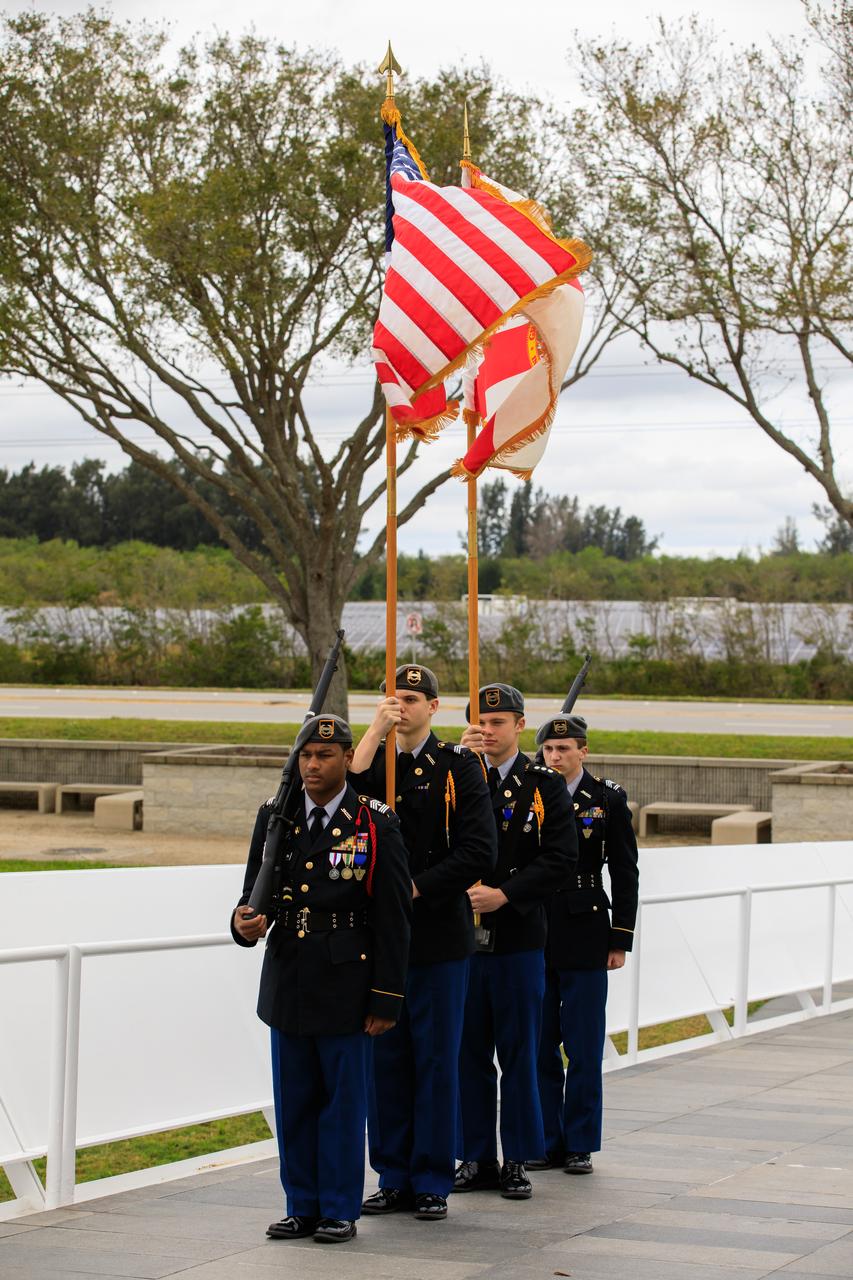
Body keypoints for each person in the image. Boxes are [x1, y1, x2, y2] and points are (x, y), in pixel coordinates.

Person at [231, 714, 411, 1244]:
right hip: (288, 975)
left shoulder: (375, 822)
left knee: (342, 1102)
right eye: (306, 755)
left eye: (324, 756)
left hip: (346, 980)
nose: (313, 765)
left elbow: (394, 917)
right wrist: (243, 923)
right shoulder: (274, 815)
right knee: (295, 1100)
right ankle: (300, 1204)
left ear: (348, 760)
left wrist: (386, 996)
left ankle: (337, 1207)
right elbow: (249, 895)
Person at [350, 664, 496, 1221]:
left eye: (412, 699)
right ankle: (392, 1174)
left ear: (434, 707)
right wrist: (372, 730)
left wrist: (415, 887)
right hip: (381, 940)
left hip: (436, 934)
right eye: (394, 698)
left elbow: (478, 850)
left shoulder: (459, 766)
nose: (402, 706)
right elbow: (348, 793)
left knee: (435, 1059)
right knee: (385, 1059)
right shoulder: (376, 763)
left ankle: (433, 1176)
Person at [453, 684, 577, 1201]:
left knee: (520, 1053)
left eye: (499, 721)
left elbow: (560, 858)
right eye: (481, 721)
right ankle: (476, 1156)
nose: (489, 730)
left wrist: (506, 895)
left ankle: (518, 1159)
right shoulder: (455, 777)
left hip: (518, 937)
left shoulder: (542, 783)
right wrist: (461, 765)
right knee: (467, 1054)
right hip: (460, 939)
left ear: (520, 725)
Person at [529, 713, 639, 1175]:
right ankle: (546, 1140)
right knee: (539, 1045)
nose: (556, 757)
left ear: (583, 752)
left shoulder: (606, 799)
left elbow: (626, 872)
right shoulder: (529, 792)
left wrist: (621, 939)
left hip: (586, 927)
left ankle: (579, 1143)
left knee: (584, 1043)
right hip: (534, 924)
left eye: (565, 750)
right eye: (550, 750)